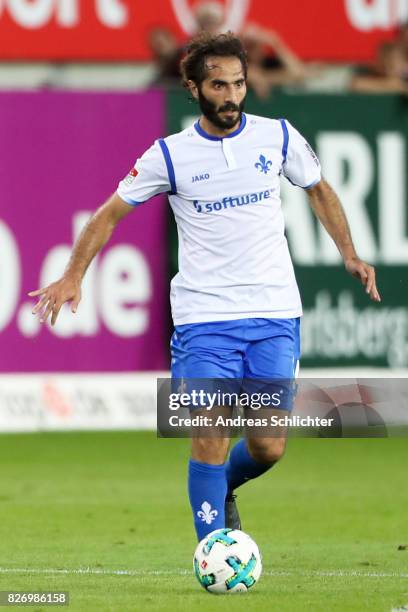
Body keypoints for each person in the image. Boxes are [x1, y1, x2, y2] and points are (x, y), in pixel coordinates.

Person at [29, 32, 380, 542]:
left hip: (274, 313)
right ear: (193, 88)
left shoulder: (277, 136)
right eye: (219, 85)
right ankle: (213, 549)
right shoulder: (169, 156)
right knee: (209, 433)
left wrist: (348, 253)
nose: (231, 96)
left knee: (268, 446)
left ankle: (224, 489)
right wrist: (73, 274)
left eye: (238, 84)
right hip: (204, 320)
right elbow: (108, 216)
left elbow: (320, 190)